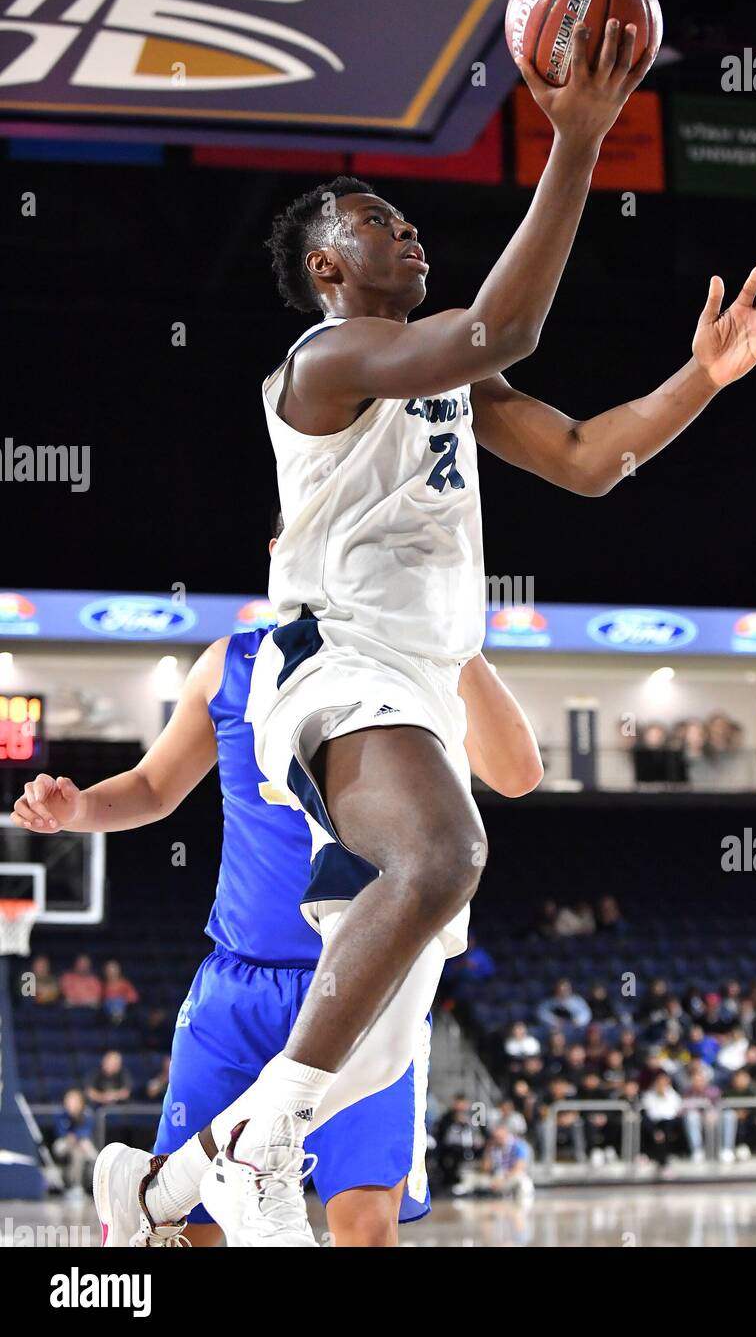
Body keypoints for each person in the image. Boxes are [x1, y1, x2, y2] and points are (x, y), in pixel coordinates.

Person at [62, 17, 756, 1245]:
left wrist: (699, 383)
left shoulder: (450, 374)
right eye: (370, 216)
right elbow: (497, 329)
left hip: (414, 678)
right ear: (329, 271)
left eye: (403, 213)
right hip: (330, 660)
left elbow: (582, 459)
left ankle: (169, 1181)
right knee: (449, 853)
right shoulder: (328, 357)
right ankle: (247, 1158)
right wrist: (576, 142)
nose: (401, 222)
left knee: (391, 1014)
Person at [12, 530, 540, 1247]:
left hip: (362, 982)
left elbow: (517, 773)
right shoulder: (229, 664)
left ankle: (156, 1185)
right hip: (240, 985)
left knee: (366, 1228)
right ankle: (162, 1190)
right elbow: (151, 787)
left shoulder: (424, 662)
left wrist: (452, 630)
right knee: (192, 1234)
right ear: (282, 551)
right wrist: (78, 810)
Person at [51, 1088, 97, 1197]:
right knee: (62, 1146)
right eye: (68, 1101)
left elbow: (86, 1132)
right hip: (65, 1143)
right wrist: (71, 1137)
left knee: (82, 1151)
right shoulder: (60, 1115)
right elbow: (61, 1133)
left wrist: (76, 1136)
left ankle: (84, 1183)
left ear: (80, 1102)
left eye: (74, 1101)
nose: (70, 1104)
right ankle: (74, 1185)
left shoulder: (87, 1115)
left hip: (80, 1144)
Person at [101, 960, 139, 1024]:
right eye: (109, 971)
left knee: (118, 1001)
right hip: (106, 1009)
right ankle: (116, 1018)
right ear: (105, 972)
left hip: (122, 1007)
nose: (111, 973)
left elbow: (134, 998)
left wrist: (122, 998)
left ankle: (117, 1018)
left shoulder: (125, 983)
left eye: (114, 970)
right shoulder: (102, 984)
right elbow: (99, 998)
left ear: (118, 971)